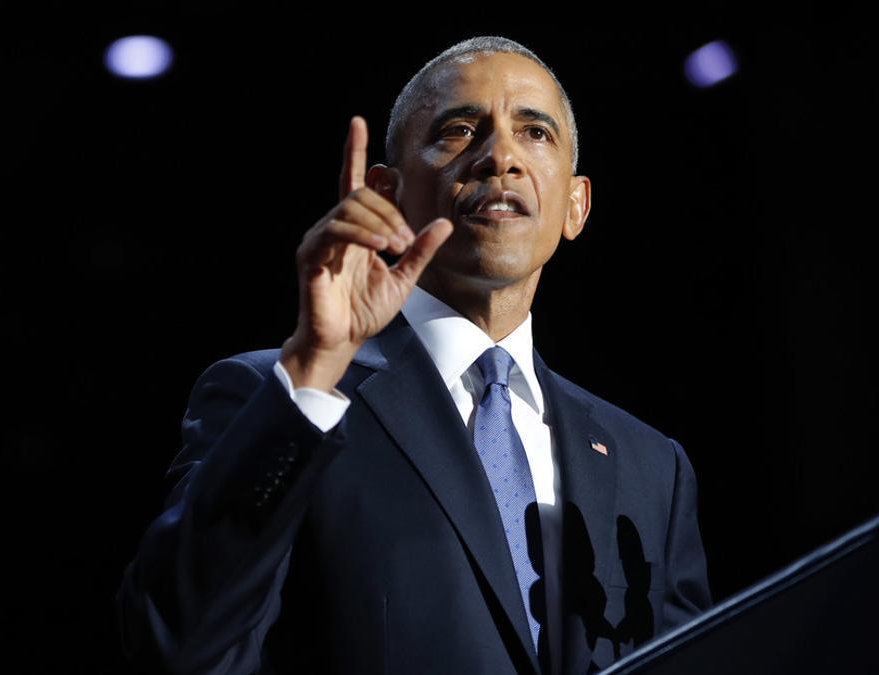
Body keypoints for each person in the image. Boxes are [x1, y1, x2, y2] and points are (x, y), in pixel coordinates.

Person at [116, 35, 713, 675]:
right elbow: (180, 647)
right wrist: (315, 370)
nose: (500, 157)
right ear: (386, 193)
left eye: (535, 133)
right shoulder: (278, 399)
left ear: (575, 205)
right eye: (460, 129)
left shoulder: (652, 465)